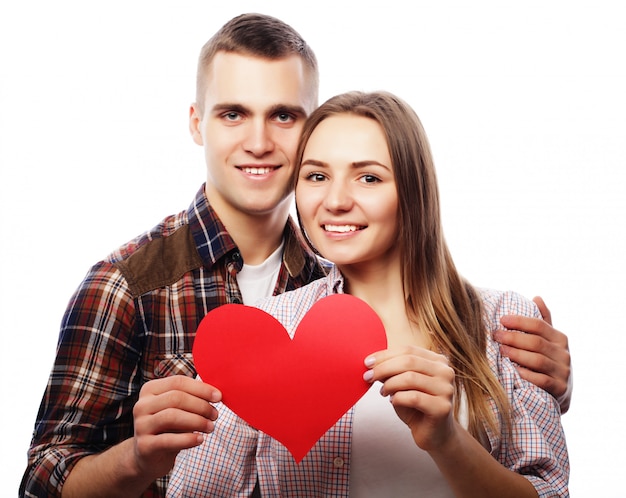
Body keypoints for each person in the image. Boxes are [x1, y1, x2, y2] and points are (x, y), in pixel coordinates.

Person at [20, 13, 571, 498]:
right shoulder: (127, 284)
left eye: (283, 115)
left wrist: (542, 384)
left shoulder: (340, 266)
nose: (259, 141)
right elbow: (44, 478)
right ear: (196, 123)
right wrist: (137, 460)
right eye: (233, 113)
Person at [167, 91, 568, 497]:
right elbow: (194, 491)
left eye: (369, 177)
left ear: (413, 190)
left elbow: (551, 491)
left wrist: (447, 441)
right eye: (316, 176)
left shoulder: (503, 321)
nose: (336, 202)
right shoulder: (270, 327)